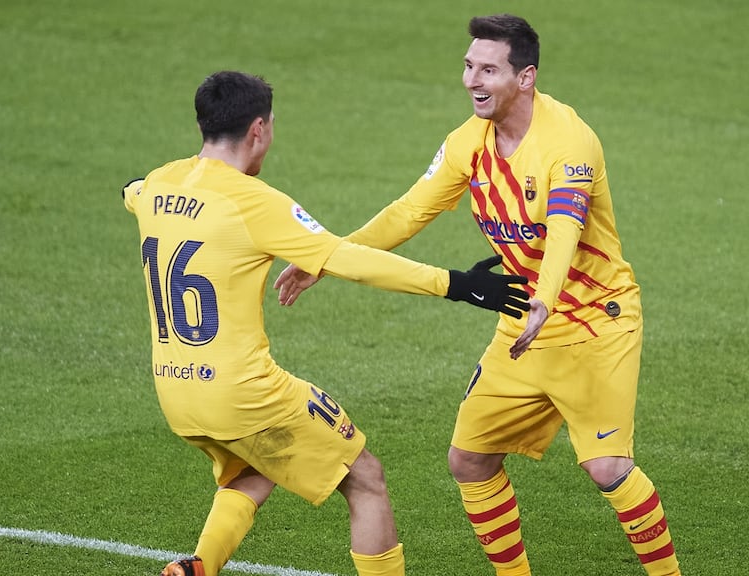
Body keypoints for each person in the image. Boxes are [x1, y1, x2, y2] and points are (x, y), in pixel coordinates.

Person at [274, 14, 681, 576]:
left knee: (607, 466)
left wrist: (544, 298)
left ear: (526, 77)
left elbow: (564, 227)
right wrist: (330, 255)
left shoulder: (569, 142)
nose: (472, 80)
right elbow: (408, 211)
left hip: (594, 321)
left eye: (488, 69)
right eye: (469, 66)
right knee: (469, 459)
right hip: (523, 323)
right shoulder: (467, 143)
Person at [122, 70, 529, 576]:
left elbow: (132, 189)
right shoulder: (256, 203)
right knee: (366, 479)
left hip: (176, 393)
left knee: (253, 468)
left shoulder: (158, 182)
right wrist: (456, 283)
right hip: (244, 394)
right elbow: (350, 259)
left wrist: (135, 187)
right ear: (258, 130)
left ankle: (196, 568)